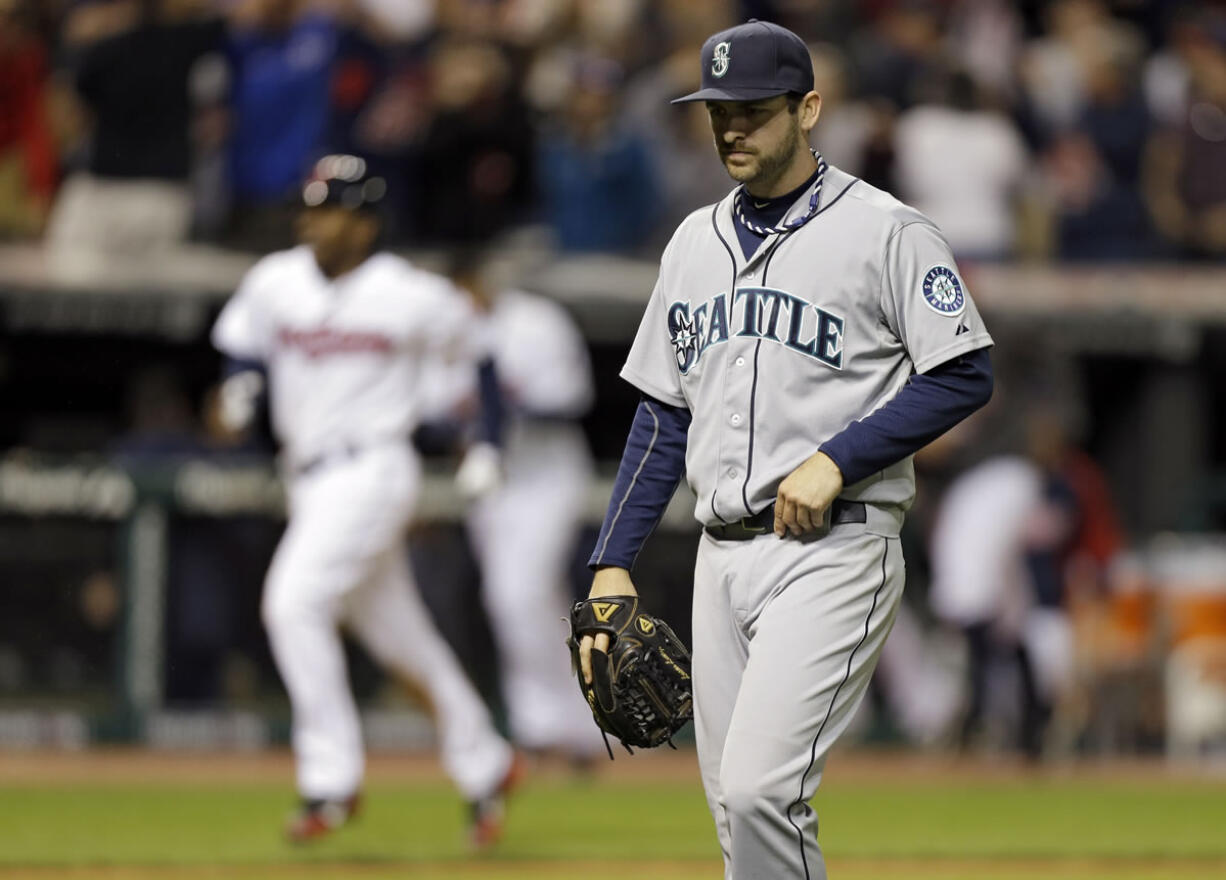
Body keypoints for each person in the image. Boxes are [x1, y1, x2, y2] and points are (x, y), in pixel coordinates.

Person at [575, 20, 994, 879]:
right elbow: (662, 413)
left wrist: (840, 456)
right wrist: (611, 560)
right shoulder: (694, 241)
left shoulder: (887, 230)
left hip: (834, 548)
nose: (732, 128)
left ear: (808, 109)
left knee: (765, 790)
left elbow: (964, 372)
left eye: (754, 110)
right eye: (717, 111)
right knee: (735, 811)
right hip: (719, 560)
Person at [210, 154, 518, 847]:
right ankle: (487, 762)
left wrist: (489, 443)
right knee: (400, 637)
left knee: (293, 602)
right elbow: (241, 345)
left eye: (332, 210)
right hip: (308, 477)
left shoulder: (408, 292)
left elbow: (484, 356)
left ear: (368, 221)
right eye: (311, 207)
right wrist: (241, 387)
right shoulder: (275, 280)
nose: (314, 221)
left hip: (374, 468)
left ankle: (331, 778)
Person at [439, 253, 605, 763]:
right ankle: (576, 726)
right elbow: (432, 410)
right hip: (493, 485)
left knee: (517, 594)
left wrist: (497, 406)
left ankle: (548, 726)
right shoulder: (446, 335)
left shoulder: (535, 321)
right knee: (519, 603)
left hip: (547, 477)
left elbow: (573, 397)